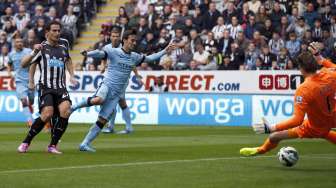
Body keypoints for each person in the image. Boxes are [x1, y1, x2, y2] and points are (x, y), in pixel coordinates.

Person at [76, 29, 176, 152]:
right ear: (124, 40)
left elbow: (150, 59)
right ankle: (74, 107)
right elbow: (101, 54)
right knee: (98, 99)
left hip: (117, 93)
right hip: (107, 85)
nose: (134, 43)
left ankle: (85, 144)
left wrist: (165, 50)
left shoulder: (134, 56)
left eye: (135, 41)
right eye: (132, 40)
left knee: (102, 120)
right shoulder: (113, 51)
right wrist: (88, 53)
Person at [240, 50, 336, 157]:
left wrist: (272, 127)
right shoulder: (330, 74)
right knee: (325, 132)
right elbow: (333, 67)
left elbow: (297, 120)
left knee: (274, 136)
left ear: (301, 69)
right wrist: (321, 59)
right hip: (333, 118)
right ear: (315, 64)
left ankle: (261, 150)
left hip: (315, 126)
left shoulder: (305, 89)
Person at [17, 21, 77, 154]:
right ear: (47, 33)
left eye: (58, 30)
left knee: (66, 111)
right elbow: (25, 64)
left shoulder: (64, 43)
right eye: (54, 31)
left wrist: (72, 75)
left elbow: (68, 60)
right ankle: (26, 142)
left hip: (61, 87)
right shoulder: (42, 47)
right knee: (47, 114)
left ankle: (52, 146)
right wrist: (31, 80)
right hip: (46, 87)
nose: (57, 33)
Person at [8, 36, 34, 127]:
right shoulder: (11, 54)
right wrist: (9, 72)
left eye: (21, 42)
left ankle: (31, 109)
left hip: (30, 80)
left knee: (31, 101)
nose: (20, 43)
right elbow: (9, 63)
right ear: (14, 44)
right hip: (19, 81)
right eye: (18, 42)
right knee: (23, 100)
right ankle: (30, 120)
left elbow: (34, 63)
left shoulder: (28, 51)